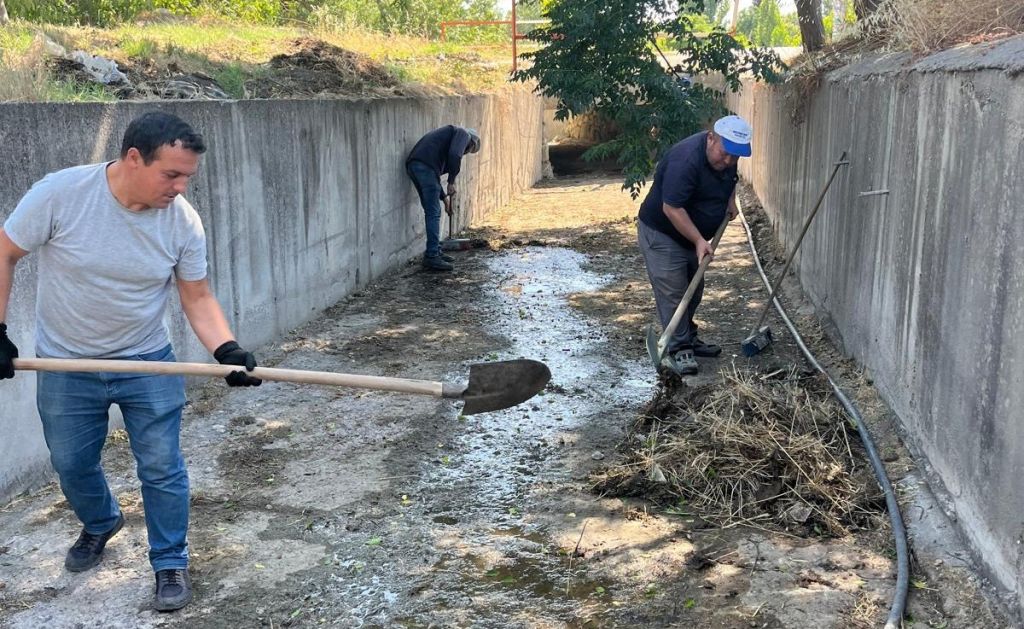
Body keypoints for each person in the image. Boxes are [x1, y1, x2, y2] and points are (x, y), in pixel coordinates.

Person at [0, 111, 262, 612]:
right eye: (172, 174)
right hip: (66, 364)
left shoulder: (182, 222)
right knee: (71, 463)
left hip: (147, 361)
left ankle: (169, 560)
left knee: (162, 466)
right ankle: (101, 521)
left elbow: (198, 298)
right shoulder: (61, 195)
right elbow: (4, 252)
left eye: (188, 176)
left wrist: (225, 350)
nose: (181, 187)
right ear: (134, 158)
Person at [637, 114, 753, 376]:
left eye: (735, 157)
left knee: (694, 289)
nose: (729, 161)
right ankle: (678, 348)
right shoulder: (685, 160)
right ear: (711, 138)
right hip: (663, 233)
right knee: (674, 292)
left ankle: (687, 335)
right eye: (725, 154)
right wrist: (699, 240)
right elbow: (672, 208)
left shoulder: (727, 156)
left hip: (691, 236)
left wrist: (730, 201)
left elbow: (729, 179)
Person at [405, 125, 481, 272]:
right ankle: (432, 256)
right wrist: (452, 181)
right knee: (433, 213)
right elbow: (455, 155)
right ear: (471, 143)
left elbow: (434, 176)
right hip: (424, 167)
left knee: (431, 211)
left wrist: (445, 199)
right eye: (468, 150)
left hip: (416, 166)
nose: (465, 153)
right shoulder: (463, 134)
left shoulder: (446, 139)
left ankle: (436, 251)